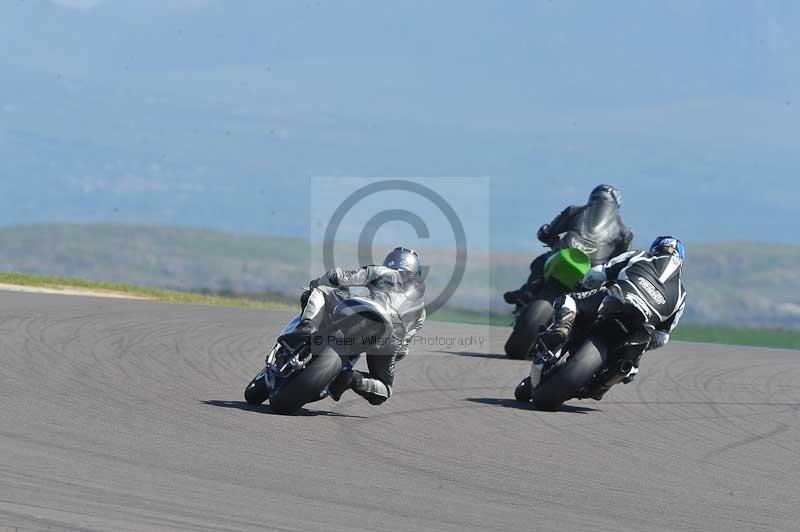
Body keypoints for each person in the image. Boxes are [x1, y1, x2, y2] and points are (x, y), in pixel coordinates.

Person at [540, 236, 687, 399]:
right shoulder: (681, 295)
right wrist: (646, 345)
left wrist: (584, 283)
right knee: (630, 367)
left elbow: (599, 273)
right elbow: (661, 338)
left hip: (618, 299)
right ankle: (610, 379)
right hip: (643, 326)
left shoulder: (639, 255)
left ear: (655, 248)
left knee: (569, 299)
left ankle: (563, 327)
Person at [284, 247, 426, 406]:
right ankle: (353, 379)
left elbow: (340, 277)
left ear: (391, 261)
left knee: (321, 290)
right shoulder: (421, 311)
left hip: (370, 312)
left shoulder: (382, 270)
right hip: (391, 338)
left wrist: (316, 282)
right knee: (385, 388)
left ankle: (306, 326)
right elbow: (402, 349)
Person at [504, 184, 633, 306]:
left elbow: (548, 231)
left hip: (566, 252)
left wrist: (547, 237)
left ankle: (529, 291)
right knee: (600, 298)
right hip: (593, 269)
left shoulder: (575, 211)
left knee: (540, 261)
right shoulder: (625, 232)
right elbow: (621, 261)